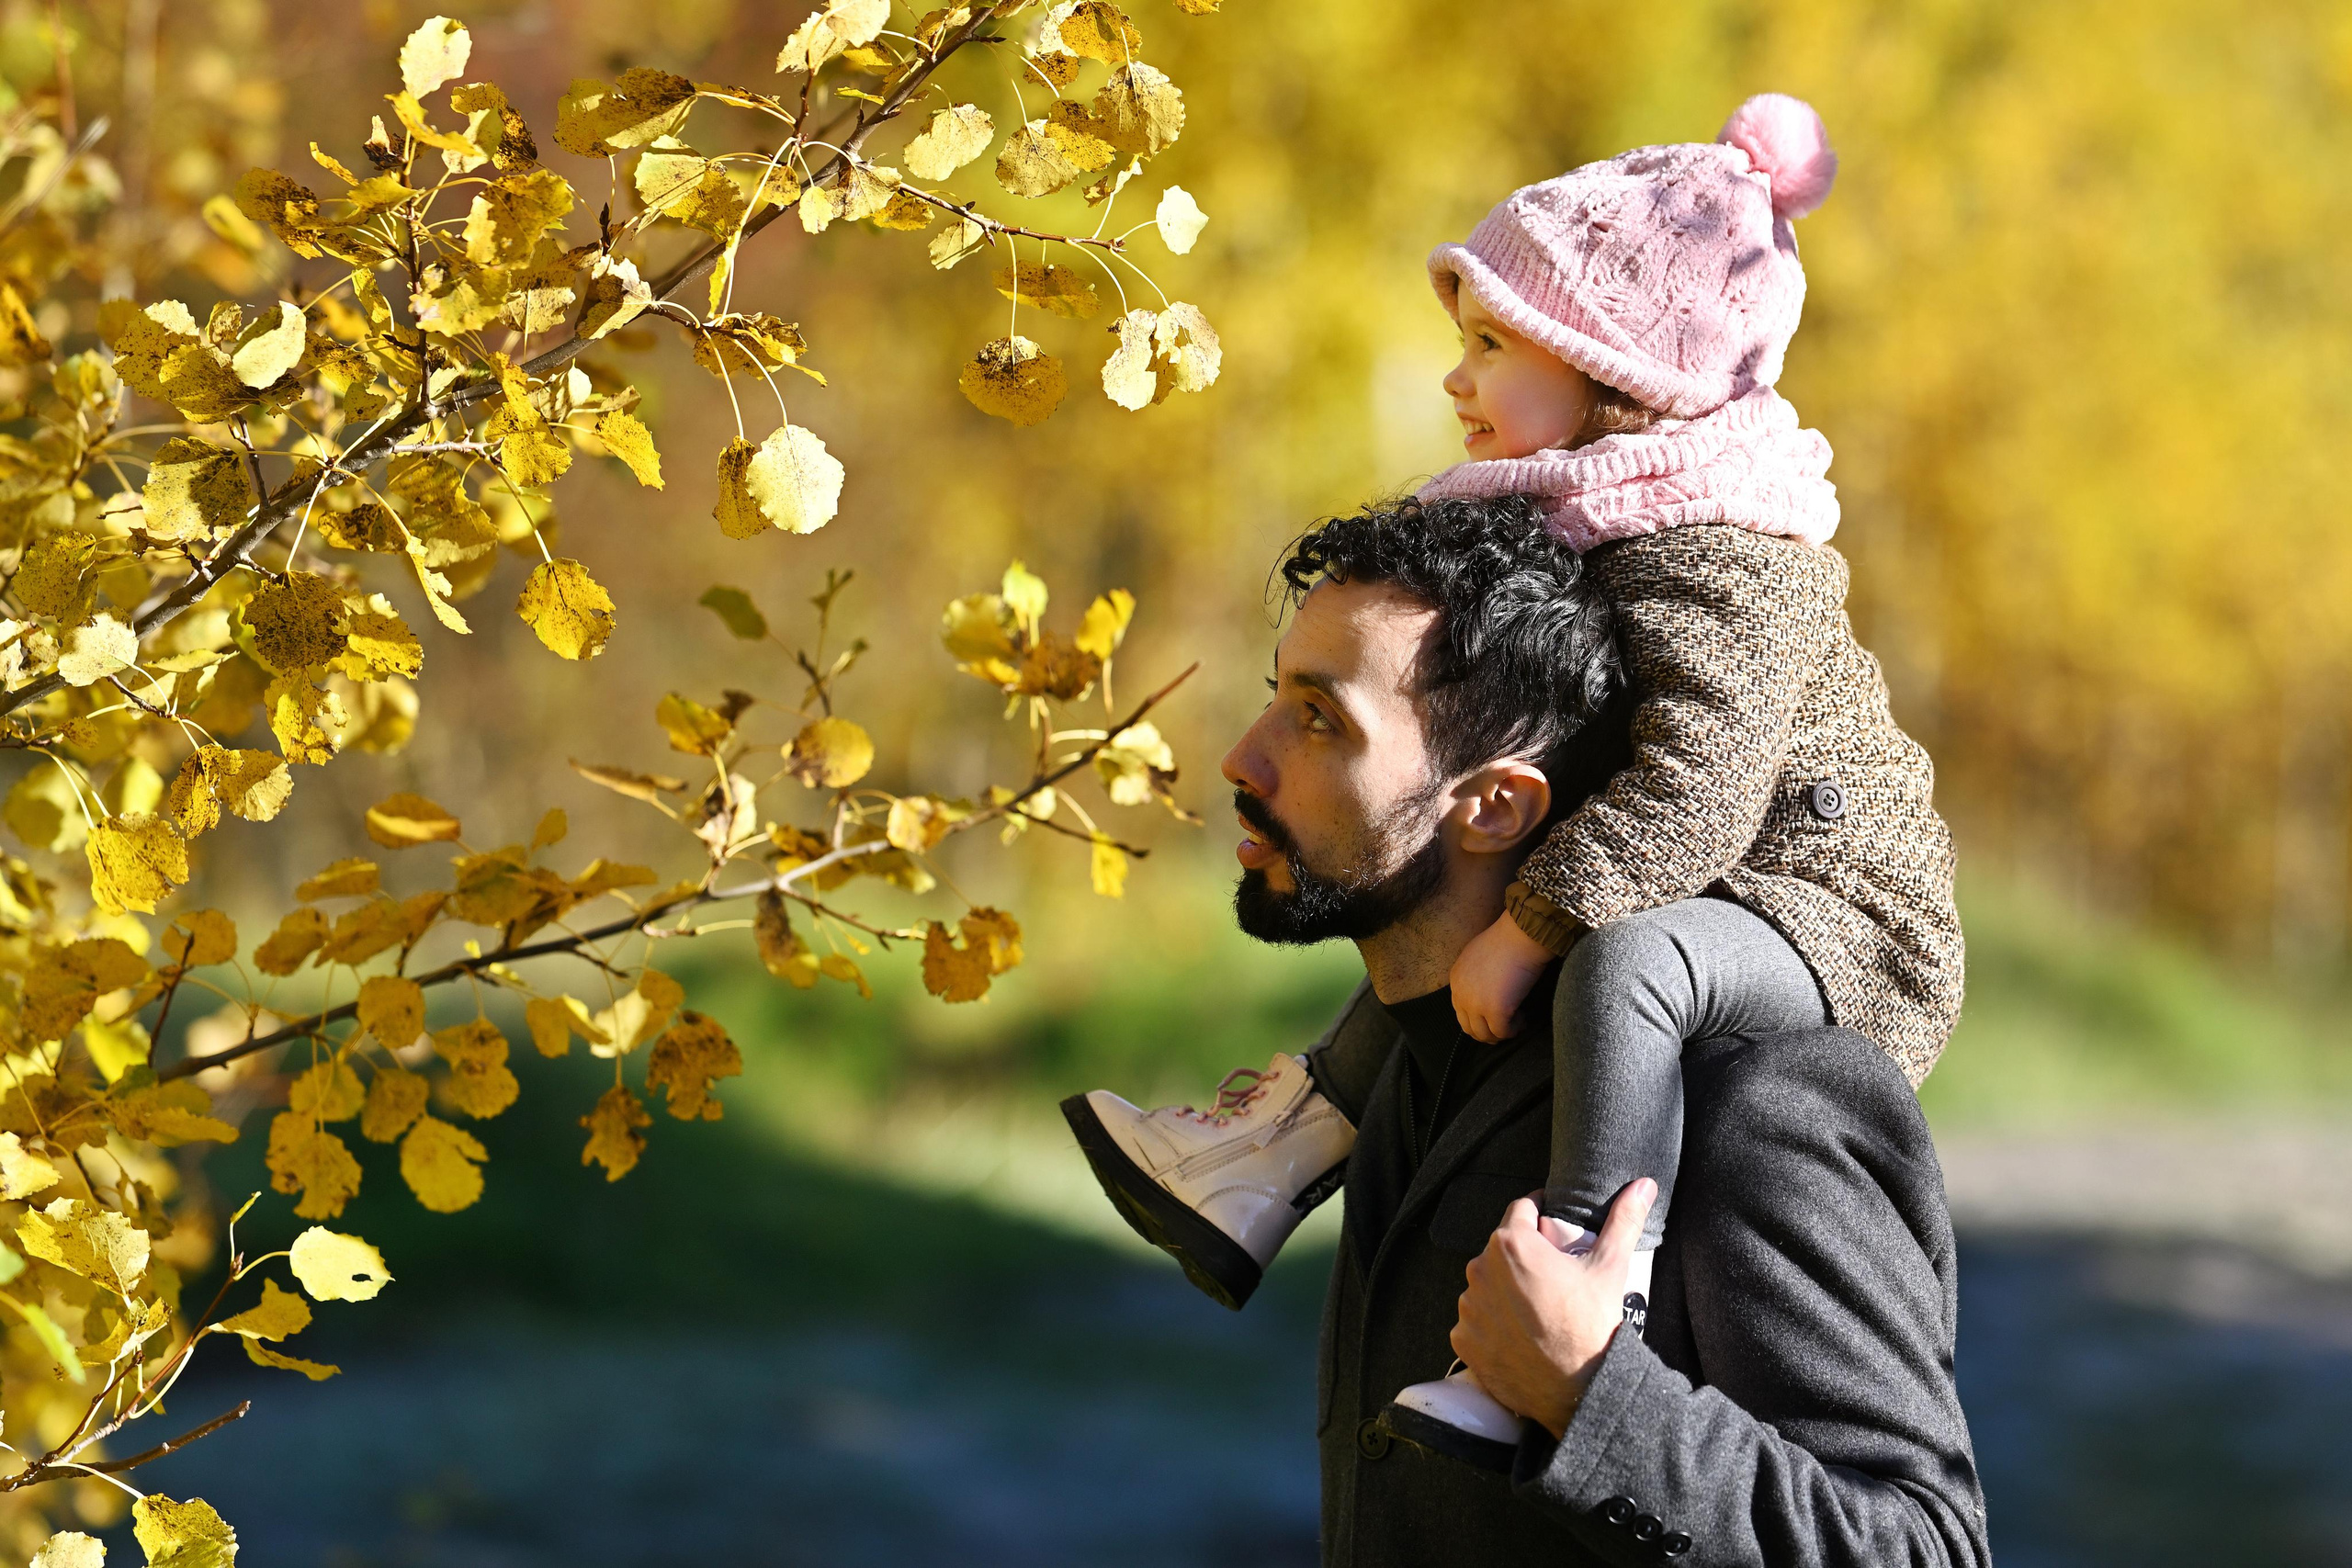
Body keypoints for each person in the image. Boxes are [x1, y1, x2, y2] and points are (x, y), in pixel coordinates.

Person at [1064, 92, 1964, 1455]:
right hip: (1719, 873)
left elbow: (1703, 785)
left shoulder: (1725, 552)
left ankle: (1580, 1290)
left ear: (1619, 371)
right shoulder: (1605, 513)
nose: (1454, 378)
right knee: (1441, 921)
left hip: (1837, 910)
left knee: (1626, 961)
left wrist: (1537, 925)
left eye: (1490, 345)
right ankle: (1272, 1151)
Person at [1078, 492, 1989, 1563]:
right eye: (1273, 696)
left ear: (1495, 807)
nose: (1243, 757)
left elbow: (1924, 1547)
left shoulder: (1748, 1100)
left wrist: (1593, 1393)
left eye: (1319, 719)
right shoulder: (1401, 1085)